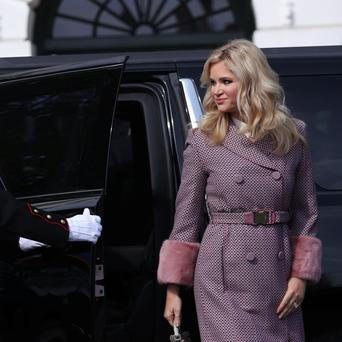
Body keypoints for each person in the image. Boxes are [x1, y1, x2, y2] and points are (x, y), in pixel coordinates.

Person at [157, 39, 321, 341]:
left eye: (226, 81)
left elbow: (305, 212)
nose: (216, 90)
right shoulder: (204, 139)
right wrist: (173, 290)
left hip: (277, 267)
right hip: (224, 272)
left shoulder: (293, 134)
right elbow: (187, 220)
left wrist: (300, 276)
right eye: (213, 83)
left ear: (250, 82)